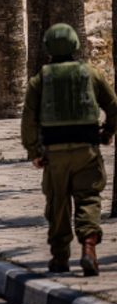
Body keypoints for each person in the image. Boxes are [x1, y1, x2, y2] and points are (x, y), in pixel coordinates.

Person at [21, 23, 117, 276]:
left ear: (48, 49)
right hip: (87, 149)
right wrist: (108, 131)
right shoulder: (91, 73)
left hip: (54, 153)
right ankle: (88, 248)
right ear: (76, 45)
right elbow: (113, 104)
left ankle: (60, 258)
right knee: (88, 198)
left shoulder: (40, 80)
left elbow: (28, 120)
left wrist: (34, 152)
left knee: (57, 204)